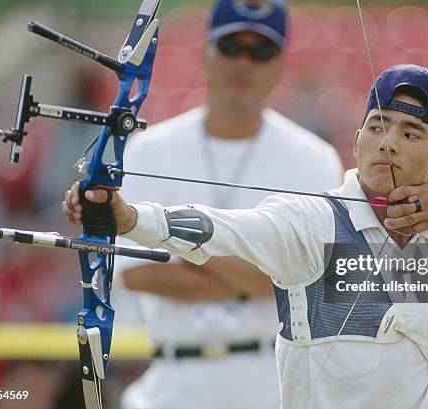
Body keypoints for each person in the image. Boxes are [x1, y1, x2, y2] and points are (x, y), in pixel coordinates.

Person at [63, 64, 428, 409]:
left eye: (411, 134)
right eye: (377, 125)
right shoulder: (313, 224)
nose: (388, 143)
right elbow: (220, 228)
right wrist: (128, 217)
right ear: (355, 141)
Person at [104, 1, 343, 408]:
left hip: (275, 382)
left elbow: (314, 281)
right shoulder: (148, 150)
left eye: (260, 51)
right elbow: (137, 274)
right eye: (231, 46)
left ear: (280, 63)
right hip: (172, 381)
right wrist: (264, 270)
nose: (243, 62)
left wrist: (178, 248)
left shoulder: (315, 159)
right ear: (206, 51)